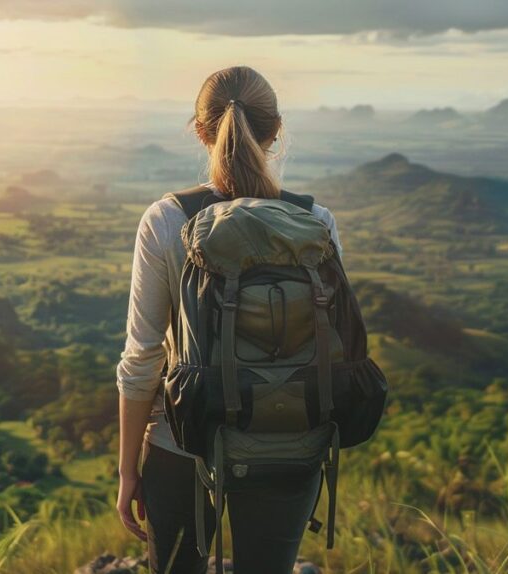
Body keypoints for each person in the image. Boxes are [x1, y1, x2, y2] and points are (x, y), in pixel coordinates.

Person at [115, 66, 344, 573]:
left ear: (200, 131)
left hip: (183, 440)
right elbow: (336, 345)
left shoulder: (168, 219)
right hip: (291, 442)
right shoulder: (316, 222)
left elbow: (142, 359)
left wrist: (129, 468)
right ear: (276, 130)